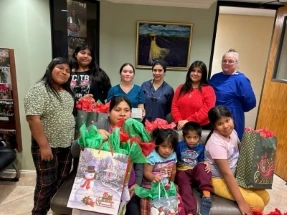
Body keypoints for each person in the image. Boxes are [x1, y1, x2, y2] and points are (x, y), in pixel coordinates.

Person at [72, 96, 143, 215]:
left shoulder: (134, 130)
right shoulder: (98, 127)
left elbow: (139, 160)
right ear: (109, 113)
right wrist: (92, 135)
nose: (122, 114)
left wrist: (137, 183)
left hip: (127, 186)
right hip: (98, 185)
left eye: (126, 110)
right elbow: (74, 151)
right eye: (117, 109)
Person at [24, 58, 75, 215]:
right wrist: (44, 146)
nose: (64, 73)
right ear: (49, 69)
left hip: (66, 146)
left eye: (67, 71)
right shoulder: (40, 89)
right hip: (48, 147)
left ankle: (54, 210)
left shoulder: (66, 93)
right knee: (46, 184)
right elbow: (33, 118)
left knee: (61, 180)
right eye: (60, 68)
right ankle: (38, 212)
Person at [205, 106, 270, 214]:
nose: (225, 126)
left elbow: (241, 150)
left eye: (227, 120)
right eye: (220, 123)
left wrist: (255, 136)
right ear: (214, 126)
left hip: (235, 175)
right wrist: (241, 202)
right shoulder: (215, 143)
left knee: (265, 197)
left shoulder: (233, 132)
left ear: (232, 118)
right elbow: (226, 174)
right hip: (217, 179)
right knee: (257, 204)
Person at [209, 49, 256, 140]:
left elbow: (250, 102)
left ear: (236, 63)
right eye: (224, 61)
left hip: (232, 118)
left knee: (232, 146)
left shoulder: (241, 79)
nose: (226, 63)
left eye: (230, 61)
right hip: (215, 116)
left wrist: (235, 108)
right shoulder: (215, 77)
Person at [176, 122, 213, 215]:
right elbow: (174, 160)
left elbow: (201, 161)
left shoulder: (201, 148)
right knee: (185, 188)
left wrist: (205, 163)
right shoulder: (179, 146)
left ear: (199, 138)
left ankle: (206, 196)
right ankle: (190, 212)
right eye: (189, 137)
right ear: (184, 137)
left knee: (203, 166)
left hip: (194, 172)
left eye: (195, 137)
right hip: (182, 172)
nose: (192, 140)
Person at [141, 128, 178, 215]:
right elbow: (146, 172)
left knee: (175, 205)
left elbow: (173, 171)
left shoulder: (173, 155)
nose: (167, 150)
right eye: (164, 146)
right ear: (157, 145)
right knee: (149, 207)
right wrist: (153, 177)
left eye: (170, 147)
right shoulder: (152, 156)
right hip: (150, 187)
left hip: (165, 187)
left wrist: (171, 183)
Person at [171, 61, 216, 130]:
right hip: (180, 126)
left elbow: (206, 110)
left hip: (200, 128)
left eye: (199, 71)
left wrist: (188, 121)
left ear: (203, 74)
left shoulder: (209, 90)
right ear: (189, 72)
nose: (195, 73)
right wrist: (179, 120)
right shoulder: (180, 88)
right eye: (193, 71)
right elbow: (174, 106)